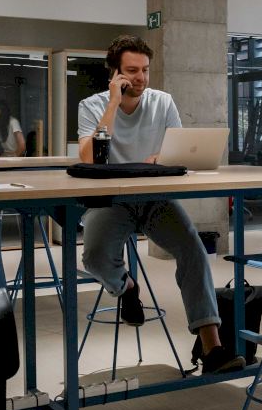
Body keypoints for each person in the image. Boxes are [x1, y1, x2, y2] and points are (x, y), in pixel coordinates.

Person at [78, 34, 243, 375]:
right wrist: (112, 104)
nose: (140, 78)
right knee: (94, 257)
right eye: (131, 71)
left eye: (145, 70)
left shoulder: (162, 102)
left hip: (156, 199)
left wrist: (163, 158)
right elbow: (90, 158)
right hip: (112, 200)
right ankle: (127, 287)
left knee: (194, 251)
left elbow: (178, 151)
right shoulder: (92, 106)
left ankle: (213, 348)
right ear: (115, 73)